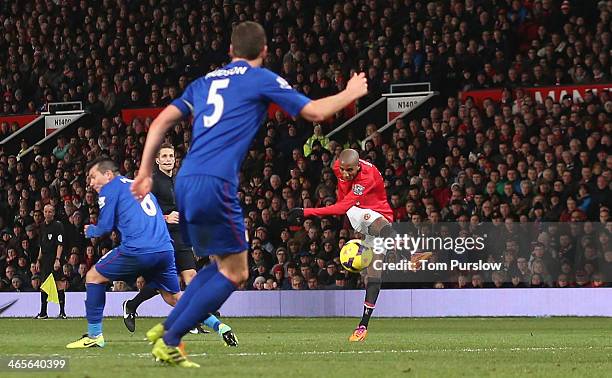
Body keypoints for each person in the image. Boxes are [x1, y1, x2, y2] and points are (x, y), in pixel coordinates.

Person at [131, 21, 368, 368]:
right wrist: (351, 91)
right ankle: (170, 338)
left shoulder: (203, 82)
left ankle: (168, 329)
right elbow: (315, 112)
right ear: (265, 51)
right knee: (236, 272)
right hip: (215, 182)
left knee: (219, 264)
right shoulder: (261, 78)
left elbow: (159, 123)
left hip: (186, 181)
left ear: (230, 51)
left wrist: (143, 172)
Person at [287, 149, 430, 341]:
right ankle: (410, 254)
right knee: (370, 220)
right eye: (343, 170)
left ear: (358, 166)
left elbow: (341, 207)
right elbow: (343, 200)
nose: (345, 174)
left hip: (376, 213)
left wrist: (306, 212)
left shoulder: (366, 178)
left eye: (350, 171)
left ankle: (362, 326)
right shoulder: (339, 166)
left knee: (374, 274)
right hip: (358, 211)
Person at [123, 143, 237, 346]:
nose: (168, 159)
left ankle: (198, 316)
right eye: (164, 156)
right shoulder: (153, 182)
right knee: (166, 290)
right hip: (160, 237)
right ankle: (132, 305)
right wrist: (165, 217)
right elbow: (141, 210)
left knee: (192, 278)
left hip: (181, 237)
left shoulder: (178, 180)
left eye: (171, 155)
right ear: (157, 160)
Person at [65, 157, 181, 349]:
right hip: (165, 249)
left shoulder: (110, 189)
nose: (91, 183)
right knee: (173, 297)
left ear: (108, 175)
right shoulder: (138, 186)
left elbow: (105, 227)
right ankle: (220, 327)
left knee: (93, 277)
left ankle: (95, 336)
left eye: (94, 177)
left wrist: (90, 230)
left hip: (138, 250)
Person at [35, 204, 66, 319]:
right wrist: (38, 260)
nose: (47, 214)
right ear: (43, 213)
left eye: (50, 212)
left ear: (53, 213)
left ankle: (62, 312)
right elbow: (41, 246)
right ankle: (43, 312)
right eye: (46, 212)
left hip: (54, 258)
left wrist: (58, 259)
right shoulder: (42, 226)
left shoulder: (58, 226)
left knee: (59, 283)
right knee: (44, 285)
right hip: (45, 260)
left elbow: (60, 244)